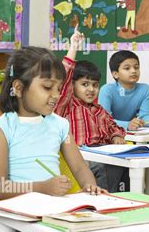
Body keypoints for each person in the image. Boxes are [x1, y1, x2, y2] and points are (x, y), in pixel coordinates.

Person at [0, 46, 117, 232]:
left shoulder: (60, 125)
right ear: (19, 88)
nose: (56, 95)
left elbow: (79, 167)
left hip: (57, 210)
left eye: (59, 88)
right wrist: (41, 187)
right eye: (47, 87)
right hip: (19, 216)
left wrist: (90, 187)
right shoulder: (3, 128)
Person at [55, 28, 128, 193]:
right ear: (72, 86)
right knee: (102, 169)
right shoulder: (67, 106)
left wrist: (116, 135)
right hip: (78, 160)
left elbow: (114, 126)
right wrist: (73, 47)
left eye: (95, 85)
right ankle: (102, 202)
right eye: (85, 84)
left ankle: (118, 201)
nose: (91, 90)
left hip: (103, 156)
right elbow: (64, 78)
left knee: (121, 167)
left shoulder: (99, 110)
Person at [99, 50, 149, 131]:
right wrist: (127, 125)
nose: (133, 71)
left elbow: (144, 116)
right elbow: (104, 120)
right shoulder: (107, 90)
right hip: (110, 134)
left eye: (136, 67)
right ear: (115, 74)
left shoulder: (145, 89)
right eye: (127, 68)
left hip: (132, 134)